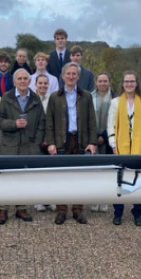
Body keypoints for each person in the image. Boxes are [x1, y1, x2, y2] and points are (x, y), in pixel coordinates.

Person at [44, 63, 97, 224]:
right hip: (62, 141)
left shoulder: (86, 96)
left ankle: (77, 209)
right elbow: (49, 123)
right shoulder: (54, 97)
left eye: (74, 74)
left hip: (80, 140)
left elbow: (92, 121)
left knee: (80, 176)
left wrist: (92, 142)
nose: (71, 76)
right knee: (60, 177)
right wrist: (51, 143)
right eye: (68, 73)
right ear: (63, 76)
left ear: (78, 77)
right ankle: (61, 210)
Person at [0, 69, 43, 224]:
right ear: (14, 82)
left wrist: (36, 143)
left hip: (28, 146)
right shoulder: (6, 98)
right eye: (19, 78)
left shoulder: (35, 99)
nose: (22, 81)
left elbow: (42, 123)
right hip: (9, 145)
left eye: (25, 79)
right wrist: (13, 124)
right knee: (6, 179)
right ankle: (3, 209)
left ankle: (21, 208)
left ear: (29, 81)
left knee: (23, 179)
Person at [107, 71, 141, 226]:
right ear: (122, 83)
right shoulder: (115, 102)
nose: (129, 84)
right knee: (119, 179)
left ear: (136, 83)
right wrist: (113, 143)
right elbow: (111, 124)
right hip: (120, 146)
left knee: (137, 179)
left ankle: (137, 212)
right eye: (126, 81)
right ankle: (118, 212)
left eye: (132, 81)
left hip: (139, 146)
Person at [89, 72, 115, 213]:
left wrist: (104, 136)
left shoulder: (115, 98)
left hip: (109, 138)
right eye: (100, 81)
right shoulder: (89, 97)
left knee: (108, 170)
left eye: (105, 81)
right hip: (93, 138)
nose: (103, 83)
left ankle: (105, 199)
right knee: (94, 170)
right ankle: (94, 199)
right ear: (96, 82)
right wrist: (94, 137)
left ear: (110, 81)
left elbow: (116, 120)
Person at [32, 74, 56, 213]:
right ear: (36, 84)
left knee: (51, 171)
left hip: (50, 140)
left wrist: (50, 139)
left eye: (45, 83)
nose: (42, 86)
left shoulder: (52, 99)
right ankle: (39, 200)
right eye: (40, 83)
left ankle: (51, 199)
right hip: (35, 140)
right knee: (37, 172)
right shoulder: (32, 99)